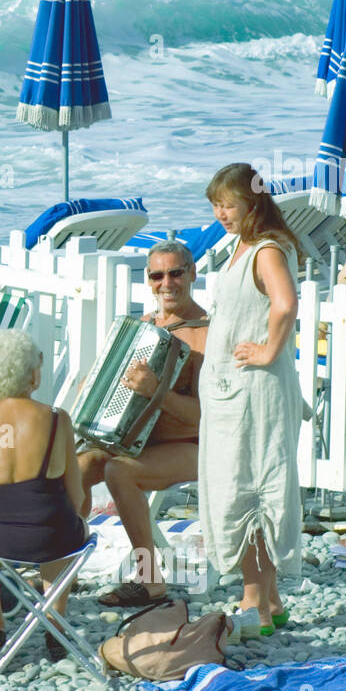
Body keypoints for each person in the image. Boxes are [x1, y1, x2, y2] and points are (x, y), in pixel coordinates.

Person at [198, 163, 302, 638]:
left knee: (250, 490)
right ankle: (270, 600)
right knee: (237, 486)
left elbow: (284, 304)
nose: (221, 212)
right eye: (216, 204)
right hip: (231, 393)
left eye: (229, 203)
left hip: (254, 393)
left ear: (252, 202)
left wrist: (266, 350)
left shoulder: (266, 250)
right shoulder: (241, 247)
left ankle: (255, 601)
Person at [79, 240, 209, 608]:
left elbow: (204, 415)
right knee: (74, 469)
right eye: (157, 275)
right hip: (135, 440)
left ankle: (150, 580)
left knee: (120, 472)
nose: (166, 283)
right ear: (148, 281)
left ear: (192, 274)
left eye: (175, 273)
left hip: (193, 445)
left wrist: (158, 391)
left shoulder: (206, 334)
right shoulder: (141, 327)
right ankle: (61, 569)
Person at [0, 329, 87, 662]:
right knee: (64, 515)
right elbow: (78, 497)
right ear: (32, 374)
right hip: (51, 539)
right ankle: (54, 621)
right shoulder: (58, 420)